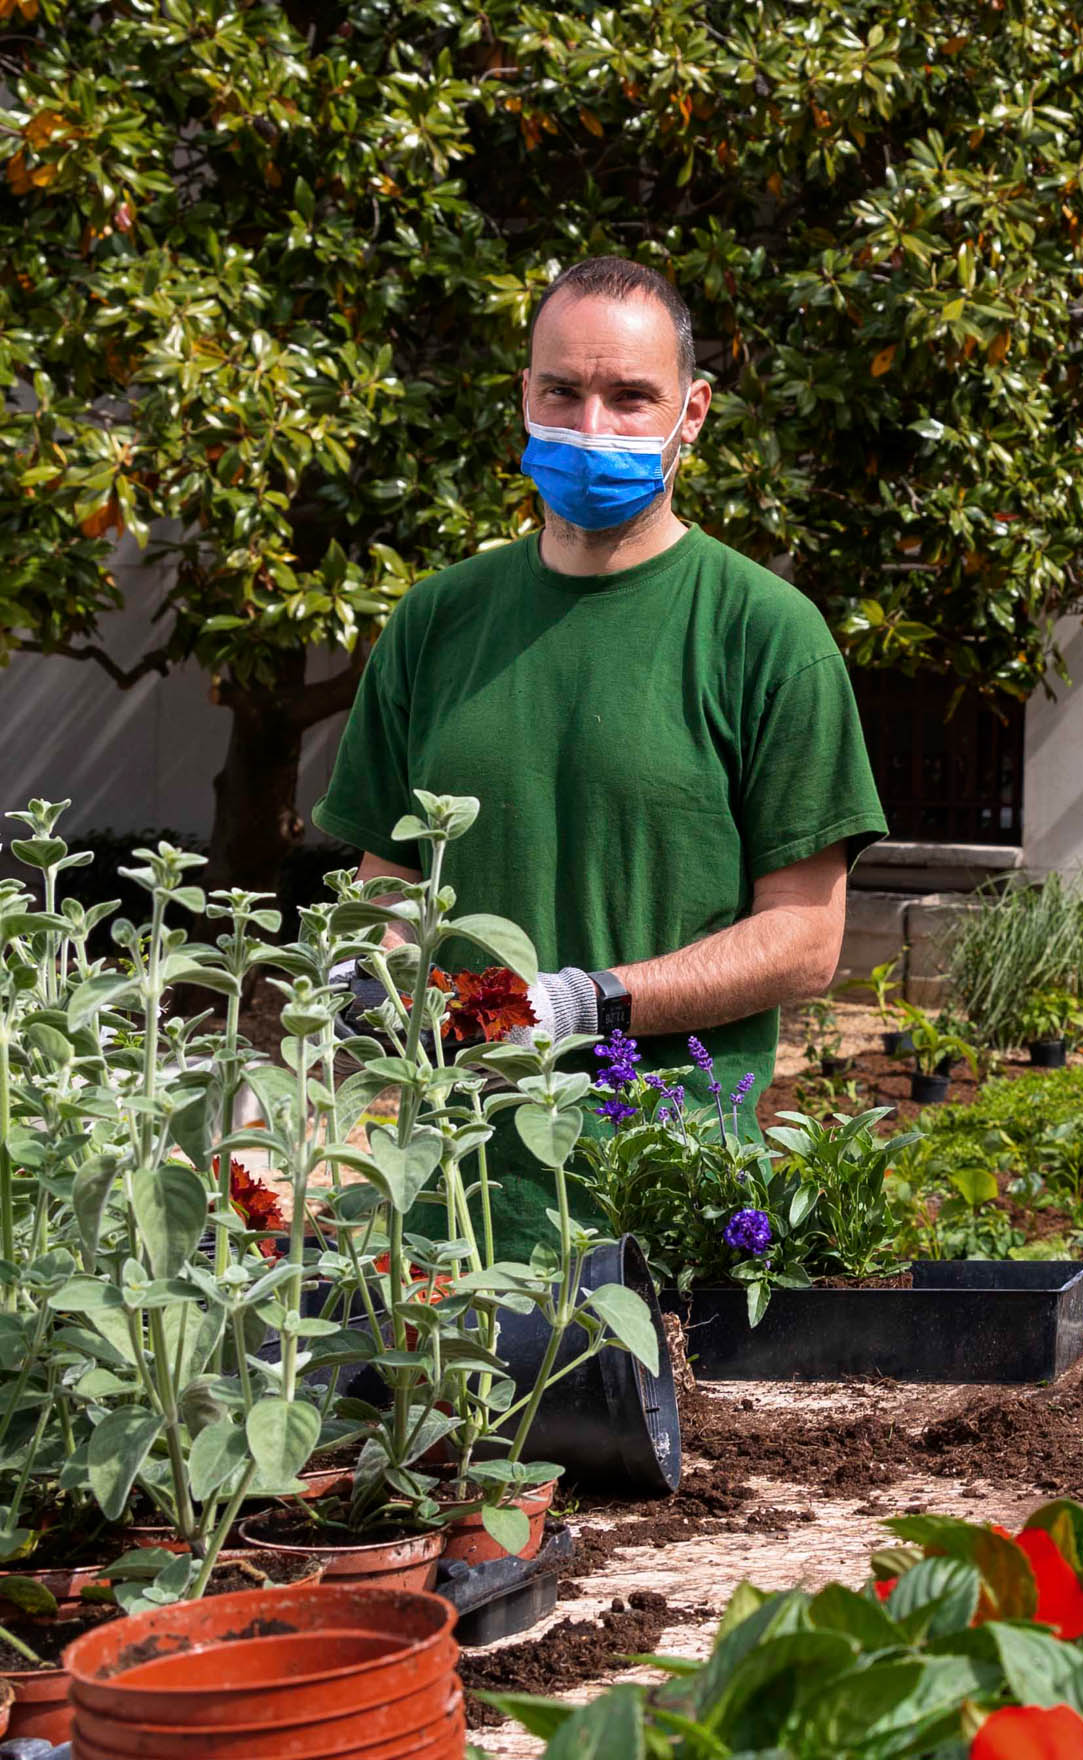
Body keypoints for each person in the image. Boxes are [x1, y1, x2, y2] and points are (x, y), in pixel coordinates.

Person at [315, 257, 886, 1255]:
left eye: (631, 397)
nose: (592, 425)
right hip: (449, 1198)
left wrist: (589, 1001)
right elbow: (388, 887)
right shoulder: (436, 623)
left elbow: (804, 937)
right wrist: (378, 978)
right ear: (524, 398)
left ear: (692, 412)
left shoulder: (764, 634)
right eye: (563, 391)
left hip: (665, 1196)